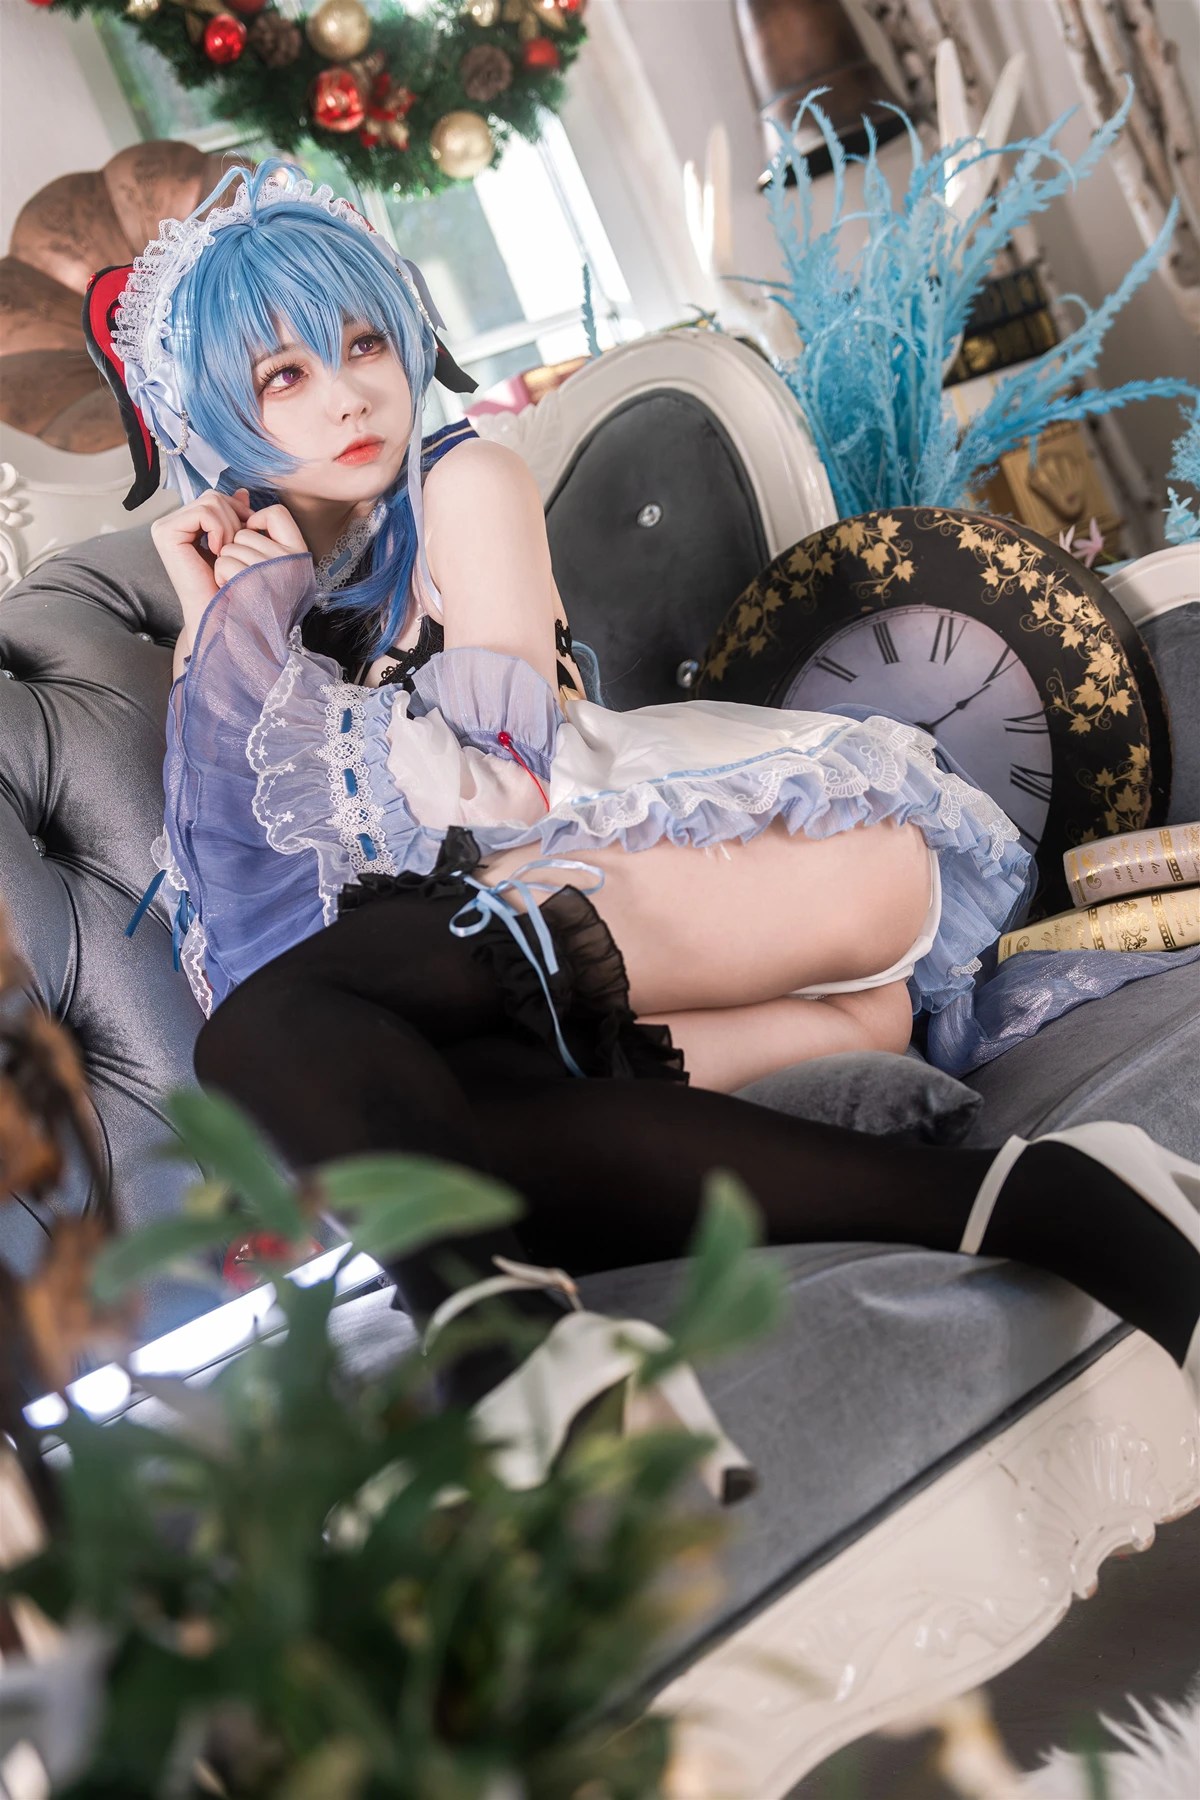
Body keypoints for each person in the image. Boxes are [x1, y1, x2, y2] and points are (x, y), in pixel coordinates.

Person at [91, 160, 1200, 1500]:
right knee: (464, 1131)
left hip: (775, 866)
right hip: (649, 970)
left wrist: (255, 634)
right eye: (286, 377)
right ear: (215, 418)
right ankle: (1053, 1208)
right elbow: (248, 877)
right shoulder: (276, 602)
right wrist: (226, 614)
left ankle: (508, 1352)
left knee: (266, 1032)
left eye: (365, 344)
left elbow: (500, 772)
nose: (348, 396)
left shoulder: (463, 482)